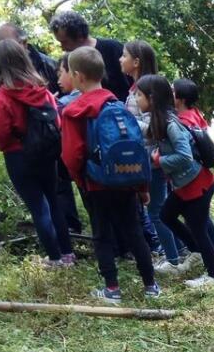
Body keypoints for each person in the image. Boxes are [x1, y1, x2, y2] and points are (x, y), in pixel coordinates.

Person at [60, 46, 161, 302]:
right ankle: (151, 286)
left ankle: (112, 289)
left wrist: (81, 179)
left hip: (96, 184)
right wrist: (142, 188)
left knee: (102, 234)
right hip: (127, 180)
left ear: (78, 76)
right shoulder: (118, 104)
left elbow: (72, 154)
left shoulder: (74, 111)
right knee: (134, 231)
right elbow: (135, 147)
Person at [0, 39, 74, 268]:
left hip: (19, 156)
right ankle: (67, 255)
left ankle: (54, 259)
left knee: (38, 207)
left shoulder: (3, 97)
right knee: (54, 202)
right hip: (47, 154)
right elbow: (56, 119)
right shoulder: (42, 90)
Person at [138, 75, 214, 289]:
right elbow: (147, 135)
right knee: (166, 215)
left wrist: (160, 160)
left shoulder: (171, 124)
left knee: (198, 227)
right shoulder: (160, 121)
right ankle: (195, 251)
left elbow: (185, 156)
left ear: (152, 98)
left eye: (139, 95)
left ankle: (212, 276)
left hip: (197, 184)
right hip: (184, 185)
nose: (136, 99)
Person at [117, 40, 173, 265]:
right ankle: (175, 251)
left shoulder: (146, 91)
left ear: (136, 62)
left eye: (124, 55)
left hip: (151, 161)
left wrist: (126, 121)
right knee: (156, 210)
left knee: (157, 212)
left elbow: (153, 129)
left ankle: (173, 257)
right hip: (146, 160)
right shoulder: (135, 91)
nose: (120, 60)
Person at [170, 77, 214, 262]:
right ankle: (213, 248)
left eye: (172, 90)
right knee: (199, 217)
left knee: (197, 220)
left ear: (180, 98)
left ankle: (211, 254)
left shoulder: (183, 121)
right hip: (202, 175)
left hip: (195, 177)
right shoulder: (195, 114)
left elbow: (186, 153)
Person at [49, 11, 129, 101]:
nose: (62, 48)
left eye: (65, 42)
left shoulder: (112, 49)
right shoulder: (70, 60)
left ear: (79, 36)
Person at [53, 56, 83, 233]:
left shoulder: (64, 104)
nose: (58, 80)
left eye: (61, 73)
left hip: (75, 161)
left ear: (74, 74)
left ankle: (71, 226)